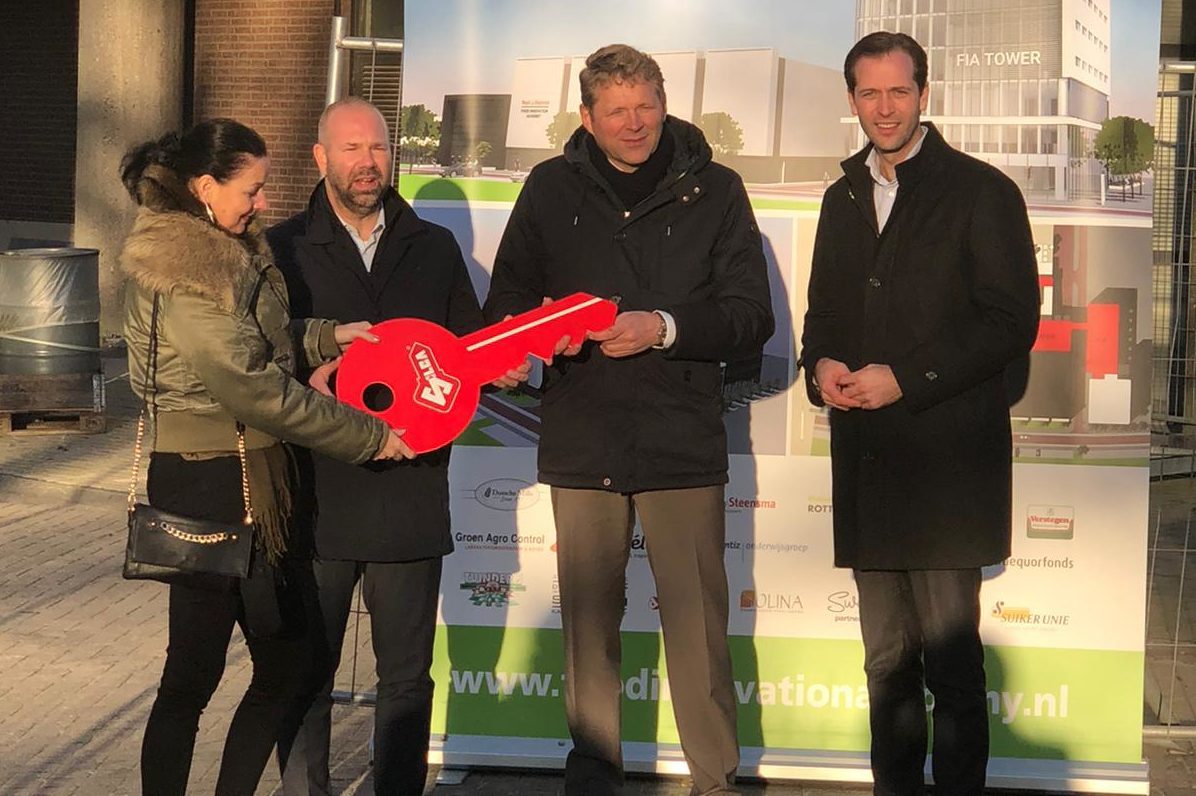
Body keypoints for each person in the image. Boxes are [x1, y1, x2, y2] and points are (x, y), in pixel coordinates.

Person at [484, 44, 774, 796]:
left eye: (646, 104)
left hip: (683, 442)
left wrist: (665, 327)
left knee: (700, 634)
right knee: (587, 632)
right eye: (617, 111)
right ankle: (593, 780)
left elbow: (752, 319)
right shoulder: (549, 188)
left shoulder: (718, 189)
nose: (635, 123)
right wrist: (519, 339)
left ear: (664, 100)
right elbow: (505, 307)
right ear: (587, 116)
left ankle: (716, 781)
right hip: (584, 437)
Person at [119, 119, 411, 796]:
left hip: (253, 477)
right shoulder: (184, 268)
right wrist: (367, 434)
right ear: (203, 187)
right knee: (195, 673)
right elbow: (251, 384)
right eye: (249, 189)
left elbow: (261, 341)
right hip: (208, 481)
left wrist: (329, 336)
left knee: (286, 663)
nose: (260, 203)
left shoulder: (224, 246)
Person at [800, 32, 1040, 795]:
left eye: (897, 91)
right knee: (884, 667)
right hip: (869, 467)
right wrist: (822, 366)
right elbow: (823, 316)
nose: (883, 107)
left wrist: (906, 377)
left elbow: (1011, 320)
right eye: (868, 93)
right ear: (851, 100)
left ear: (925, 95)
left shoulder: (981, 191)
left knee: (953, 670)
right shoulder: (841, 198)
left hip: (947, 472)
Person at [269, 97, 524, 796]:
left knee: (407, 679)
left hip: (410, 493)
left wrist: (496, 373)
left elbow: (462, 357)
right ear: (320, 159)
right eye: (350, 149)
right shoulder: (281, 248)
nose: (367, 162)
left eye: (378, 148)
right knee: (307, 672)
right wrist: (306, 370)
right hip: (314, 493)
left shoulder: (434, 247)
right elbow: (256, 358)